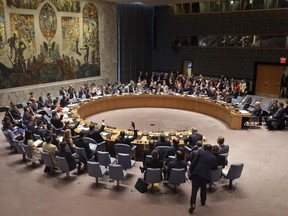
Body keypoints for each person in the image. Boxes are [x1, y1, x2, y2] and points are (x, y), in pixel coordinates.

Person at [189, 144, 218, 214]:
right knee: (203, 188)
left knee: (194, 189)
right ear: (211, 150)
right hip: (206, 175)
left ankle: (193, 204)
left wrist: (190, 170)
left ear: (204, 148)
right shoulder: (214, 157)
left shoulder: (200, 152)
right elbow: (215, 168)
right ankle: (203, 201)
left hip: (197, 173)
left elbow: (194, 162)